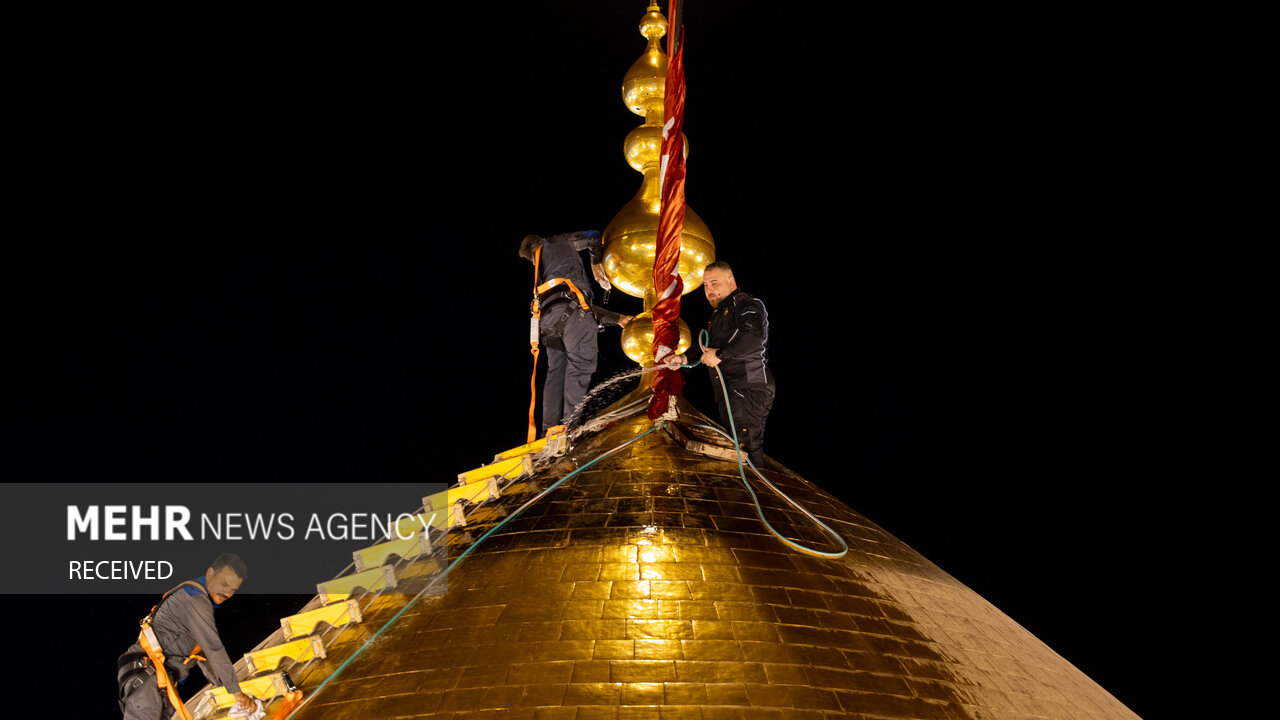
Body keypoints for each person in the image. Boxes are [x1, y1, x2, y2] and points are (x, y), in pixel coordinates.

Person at [118, 553, 255, 719]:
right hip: (147, 677)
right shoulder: (194, 600)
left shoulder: (197, 599)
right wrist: (237, 692)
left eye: (232, 590)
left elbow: (201, 653)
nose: (227, 593)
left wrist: (223, 687)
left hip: (154, 678)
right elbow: (214, 649)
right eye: (224, 584)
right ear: (210, 573)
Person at [664, 261, 774, 466]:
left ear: (731, 281)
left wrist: (720, 354)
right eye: (705, 285)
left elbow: (753, 338)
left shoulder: (746, 304)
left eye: (714, 283)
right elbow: (707, 347)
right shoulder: (717, 314)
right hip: (730, 390)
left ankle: (757, 492)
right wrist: (683, 358)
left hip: (748, 387)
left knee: (747, 448)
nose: (709, 290)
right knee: (738, 447)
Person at [520, 231, 632, 433]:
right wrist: (596, 264)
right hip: (572, 314)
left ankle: (550, 433)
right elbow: (593, 237)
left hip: (549, 323)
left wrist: (618, 319)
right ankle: (570, 429)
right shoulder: (555, 241)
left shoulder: (540, 272)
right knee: (580, 365)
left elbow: (570, 303)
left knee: (556, 374)